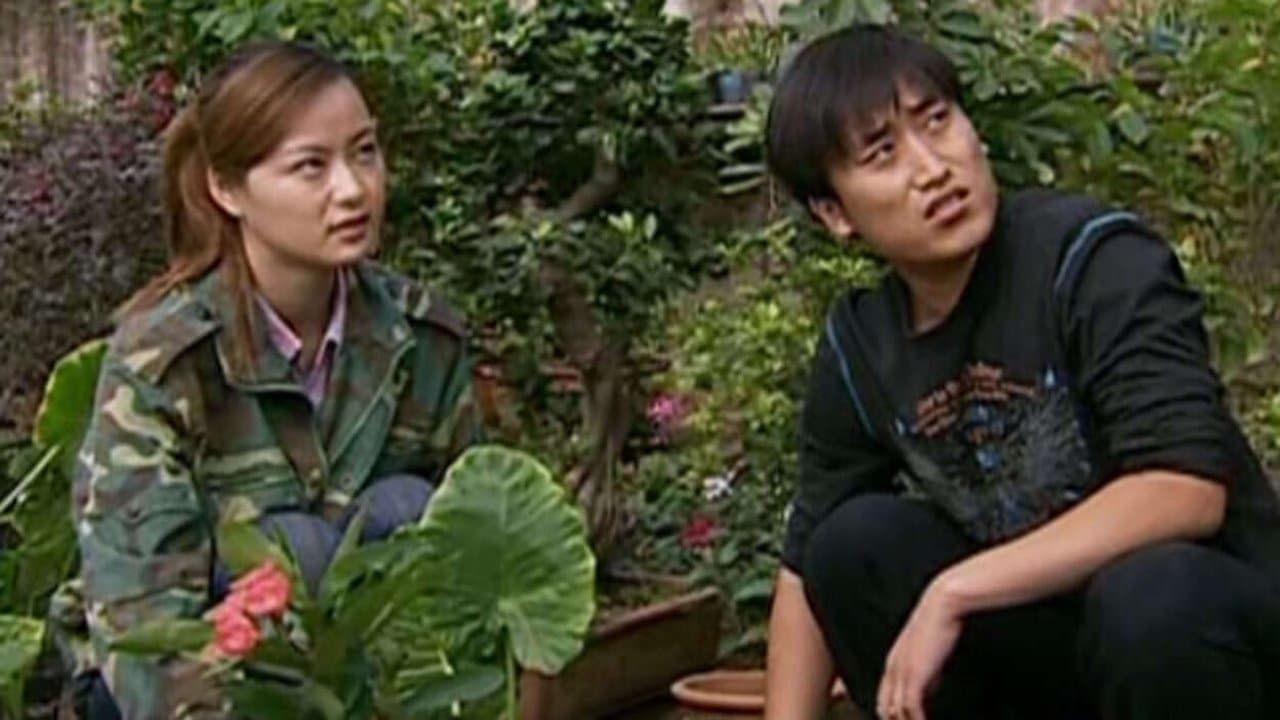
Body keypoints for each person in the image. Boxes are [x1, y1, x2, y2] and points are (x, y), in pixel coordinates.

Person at [761, 24, 1280, 720]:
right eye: (883, 153)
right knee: (853, 548)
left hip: (1215, 641)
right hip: (1066, 652)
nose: (932, 168)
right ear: (834, 212)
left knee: (1150, 596)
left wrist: (955, 590)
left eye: (937, 121)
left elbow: (1184, 489)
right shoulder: (864, 345)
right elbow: (803, 568)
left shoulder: (1091, 261)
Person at [70, 41, 480, 719]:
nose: (353, 190)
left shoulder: (423, 340)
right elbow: (141, 624)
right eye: (310, 166)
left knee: (408, 507)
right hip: (186, 682)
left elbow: (476, 552)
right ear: (227, 189)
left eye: (365, 152)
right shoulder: (162, 363)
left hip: (359, 680)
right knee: (295, 548)